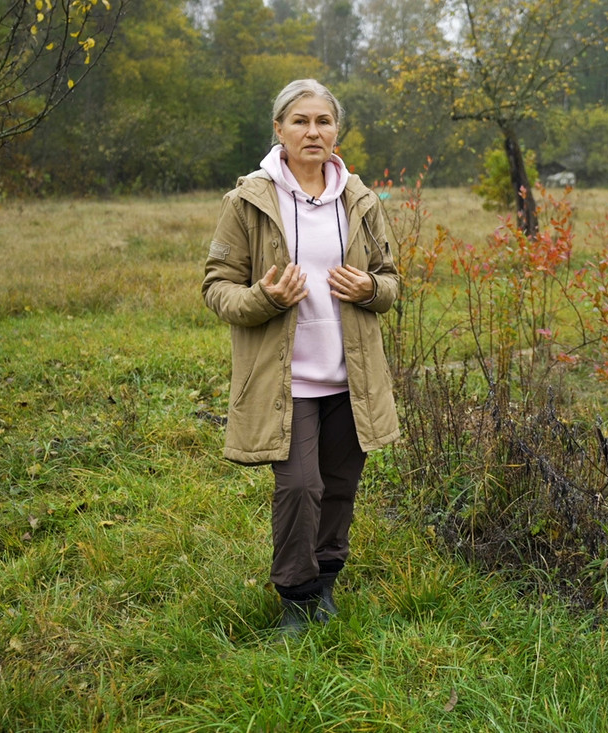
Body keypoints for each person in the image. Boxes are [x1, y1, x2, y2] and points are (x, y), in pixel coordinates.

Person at [202, 79, 401, 636]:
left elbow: (390, 282)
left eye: (323, 121)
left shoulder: (359, 200)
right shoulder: (248, 201)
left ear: (336, 131)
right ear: (279, 130)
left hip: (351, 378)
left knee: (339, 484)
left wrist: (369, 289)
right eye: (300, 121)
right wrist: (266, 298)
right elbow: (217, 288)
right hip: (284, 381)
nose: (313, 132)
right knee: (299, 486)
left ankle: (326, 582)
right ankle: (295, 596)